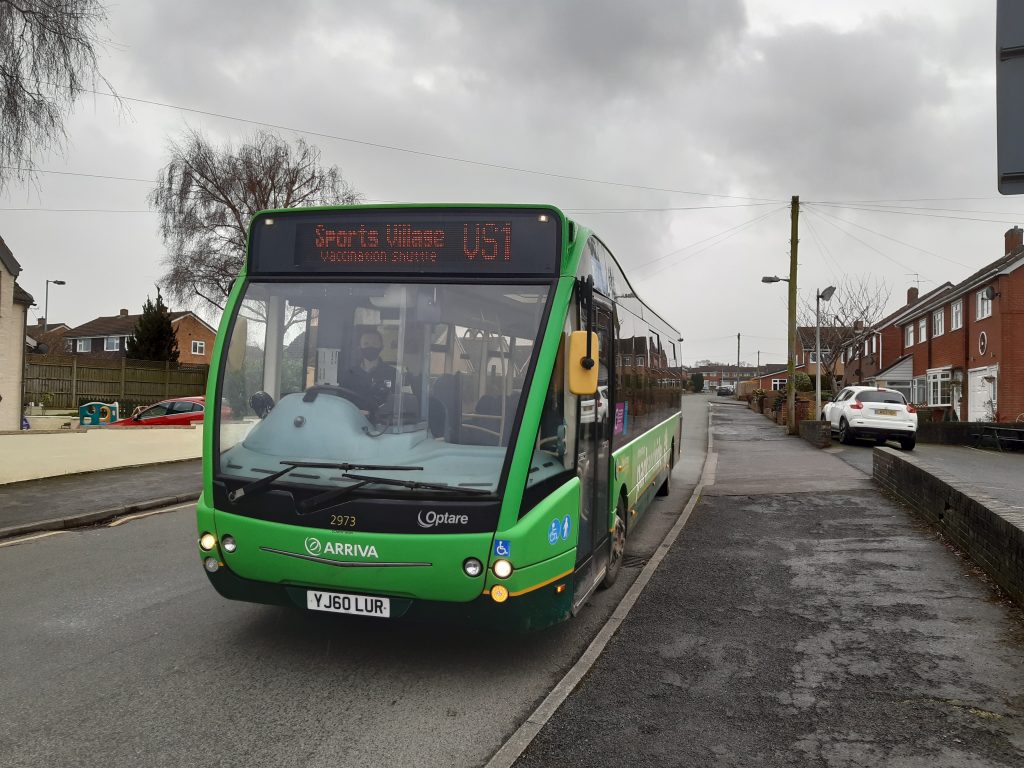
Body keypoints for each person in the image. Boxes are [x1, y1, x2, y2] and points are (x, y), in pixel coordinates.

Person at [345, 329, 397, 411]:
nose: (370, 347)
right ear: (360, 347)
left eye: (375, 344)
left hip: (383, 421)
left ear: (381, 347)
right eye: (366, 344)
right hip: (354, 420)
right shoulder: (350, 374)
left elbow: (397, 403)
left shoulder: (393, 373)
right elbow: (344, 402)